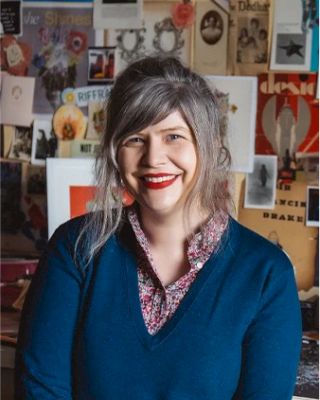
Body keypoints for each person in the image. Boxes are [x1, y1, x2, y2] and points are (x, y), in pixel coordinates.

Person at [15, 57, 302, 399]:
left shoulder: (267, 274)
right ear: (114, 151)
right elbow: (40, 389)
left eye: (174, 137)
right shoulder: (75, 247)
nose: (154, 158)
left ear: (207, 146)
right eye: (135, 139)